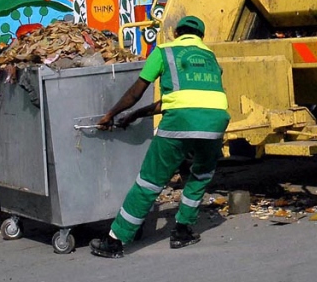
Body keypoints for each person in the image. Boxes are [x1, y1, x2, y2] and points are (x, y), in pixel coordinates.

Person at [90, 16, 229, 259]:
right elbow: (185, 98)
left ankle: (116, 240)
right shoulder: (211, 57)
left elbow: (136, 91)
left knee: (150, 181)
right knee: (200, 175)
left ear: (176, 33)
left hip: (180, 123)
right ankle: (183, 231)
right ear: (201, 36)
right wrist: (136, 115)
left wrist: (111, 113)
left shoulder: (164, 51)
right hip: (215, 123)